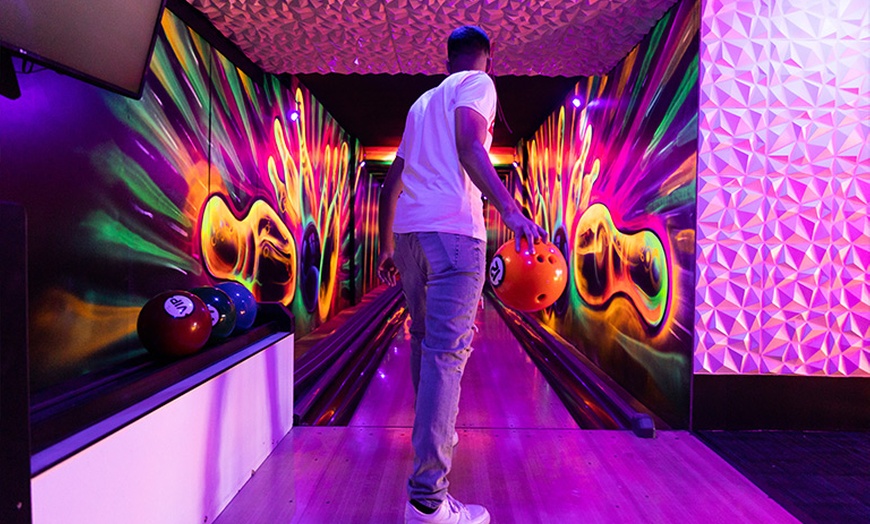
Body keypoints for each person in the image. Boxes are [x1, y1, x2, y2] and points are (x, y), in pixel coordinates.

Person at [377, 25, 547, 524]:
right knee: (447, 356)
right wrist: (512, 212)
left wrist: (389, 247)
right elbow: (472, 146)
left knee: (426, 342)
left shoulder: (420, 102)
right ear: (486, 59)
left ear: (446, 57)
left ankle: (438, 430)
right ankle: (428, 500)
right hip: (454, 235)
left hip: (411, 235)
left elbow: (391, 183)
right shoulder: (479, 85)